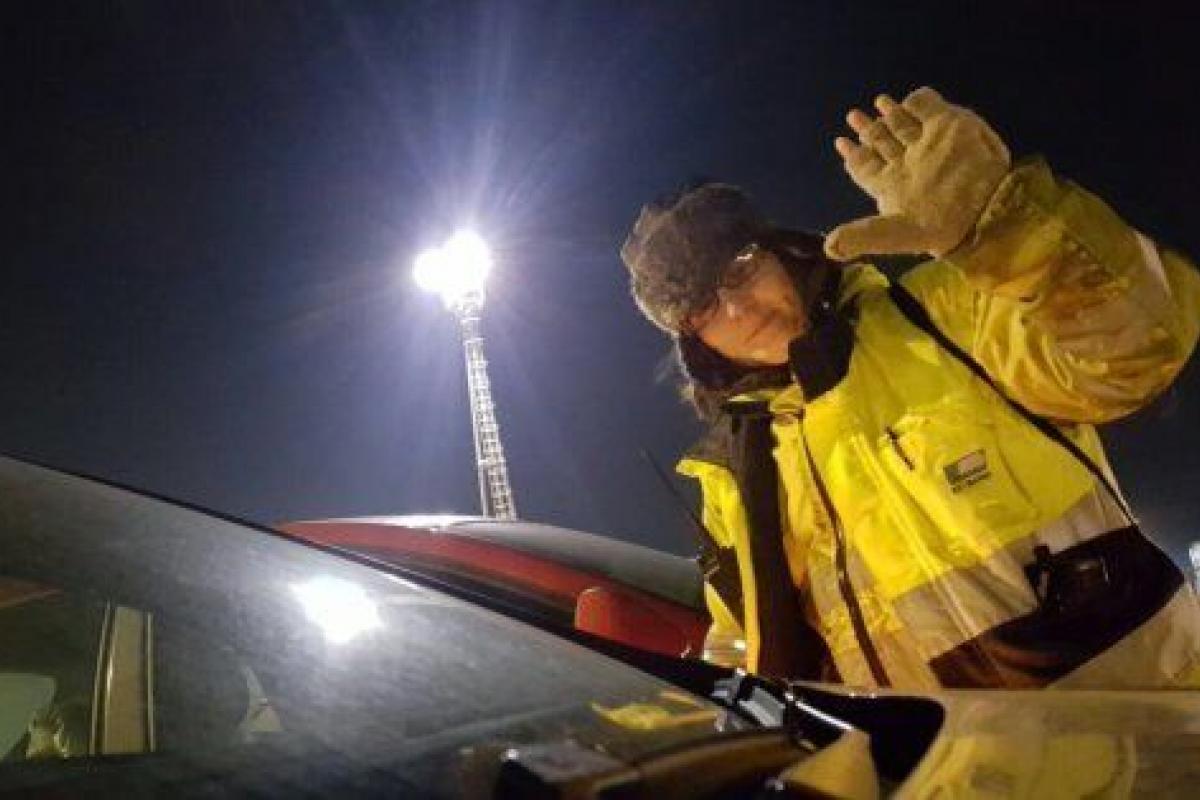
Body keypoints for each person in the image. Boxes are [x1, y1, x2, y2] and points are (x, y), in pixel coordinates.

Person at [620, 86, 1200, 689]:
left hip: (1136, 729)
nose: (737, 309)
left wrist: (1003, 228)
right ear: (691, 337)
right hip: (925, 752)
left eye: (740, 270)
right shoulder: (734, 476)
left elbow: (1141, 345)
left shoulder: (942, 317)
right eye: (703, 307)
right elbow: (738, 645)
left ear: (780, 250)